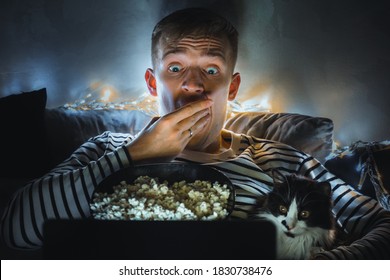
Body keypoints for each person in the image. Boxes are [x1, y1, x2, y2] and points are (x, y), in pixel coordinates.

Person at [1, 7, 390, 259]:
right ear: (153, 85)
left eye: (210, 70)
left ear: (231, 88)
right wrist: (133, 156)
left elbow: (383, 224)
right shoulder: (105, 149)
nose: (193, 85)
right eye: (175, 68)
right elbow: (16, 230)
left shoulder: (282, 160)